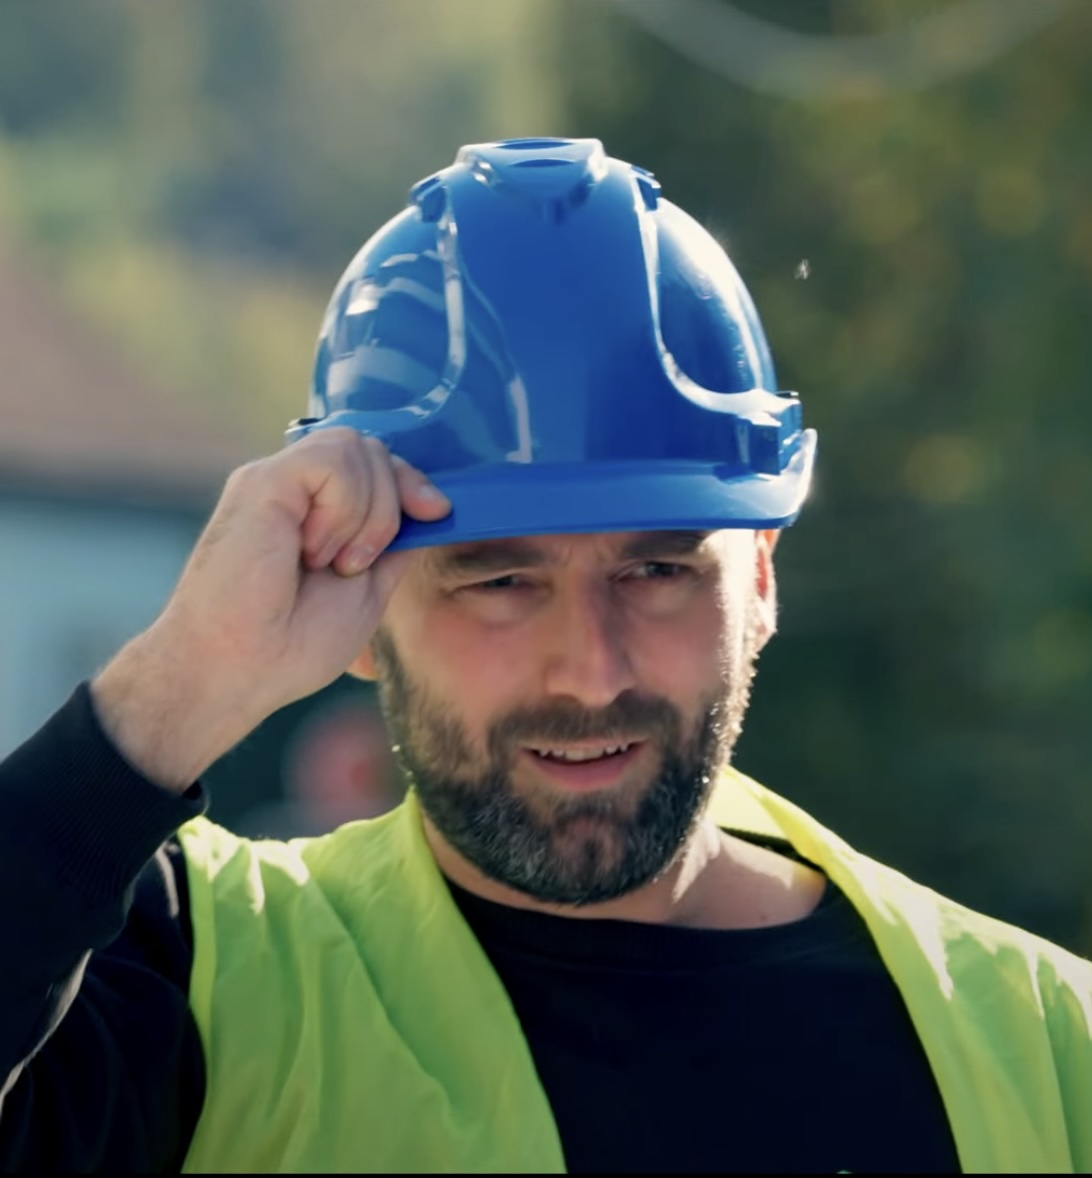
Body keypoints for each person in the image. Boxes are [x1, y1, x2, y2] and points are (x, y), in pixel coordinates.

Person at [0, 137, 1088, 1175]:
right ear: (364, 604)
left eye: (657, 570)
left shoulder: (1047, 1047)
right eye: (499, 581)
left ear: (759, 573)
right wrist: (175, 689)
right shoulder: (191, 986)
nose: (591, 670)